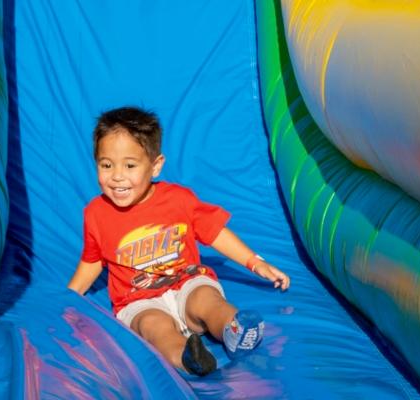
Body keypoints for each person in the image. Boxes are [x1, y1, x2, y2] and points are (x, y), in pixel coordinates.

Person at [68, 106, 290, 376]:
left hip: (186, 282)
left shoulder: (178, 199)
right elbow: (92, 260)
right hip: (138, 301)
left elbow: (215, 232)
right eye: (106, 165)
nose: (116, 176)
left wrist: (255, 263)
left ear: (156, 166)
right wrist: (68, 298)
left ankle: (235, 328)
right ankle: (188, 358)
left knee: (207, 301)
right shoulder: (96, 213)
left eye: (130, 165)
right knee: (154, 328)